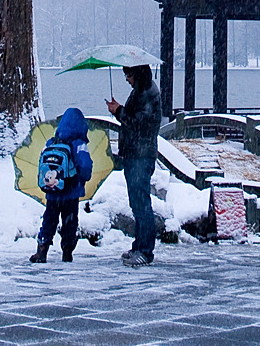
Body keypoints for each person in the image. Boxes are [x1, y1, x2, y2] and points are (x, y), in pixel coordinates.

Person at [106, 62, 161, 267]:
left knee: (142, 205)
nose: (127, 79)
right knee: (137, 204)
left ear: (137, 74)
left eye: (129, 75)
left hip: (141, 155)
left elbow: (139, 123)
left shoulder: (146, 93)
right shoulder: (141, 91)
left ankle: (145, 251)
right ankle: (139, 245)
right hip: (134, 154)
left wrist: (119, 111)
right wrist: (119, 110)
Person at [29, 106, 94, 264]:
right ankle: (67, 252)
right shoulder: (78, 144)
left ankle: (42, 249)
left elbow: (42, 163)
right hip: (71, 192)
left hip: (53, 192)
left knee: (49, 220)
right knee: (70, 222)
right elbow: (85, 165)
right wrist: (82, 179)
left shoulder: (52, 142)